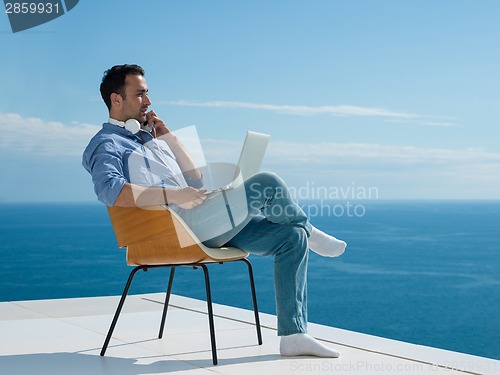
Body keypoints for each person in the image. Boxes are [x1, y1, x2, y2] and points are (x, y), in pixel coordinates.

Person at [82, 64, 347, 358]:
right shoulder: (106, 144)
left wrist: (169, 139)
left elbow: (195, 180)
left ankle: (294, 335)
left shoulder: (149, 138)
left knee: (291, 236)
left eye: (148, 93)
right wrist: (176, 194)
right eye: (140, 94)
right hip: (176, 231)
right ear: (116, 100)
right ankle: (312, 232)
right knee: (266, 183)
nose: (148, 101)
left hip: (201, 220)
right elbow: (110, 190)